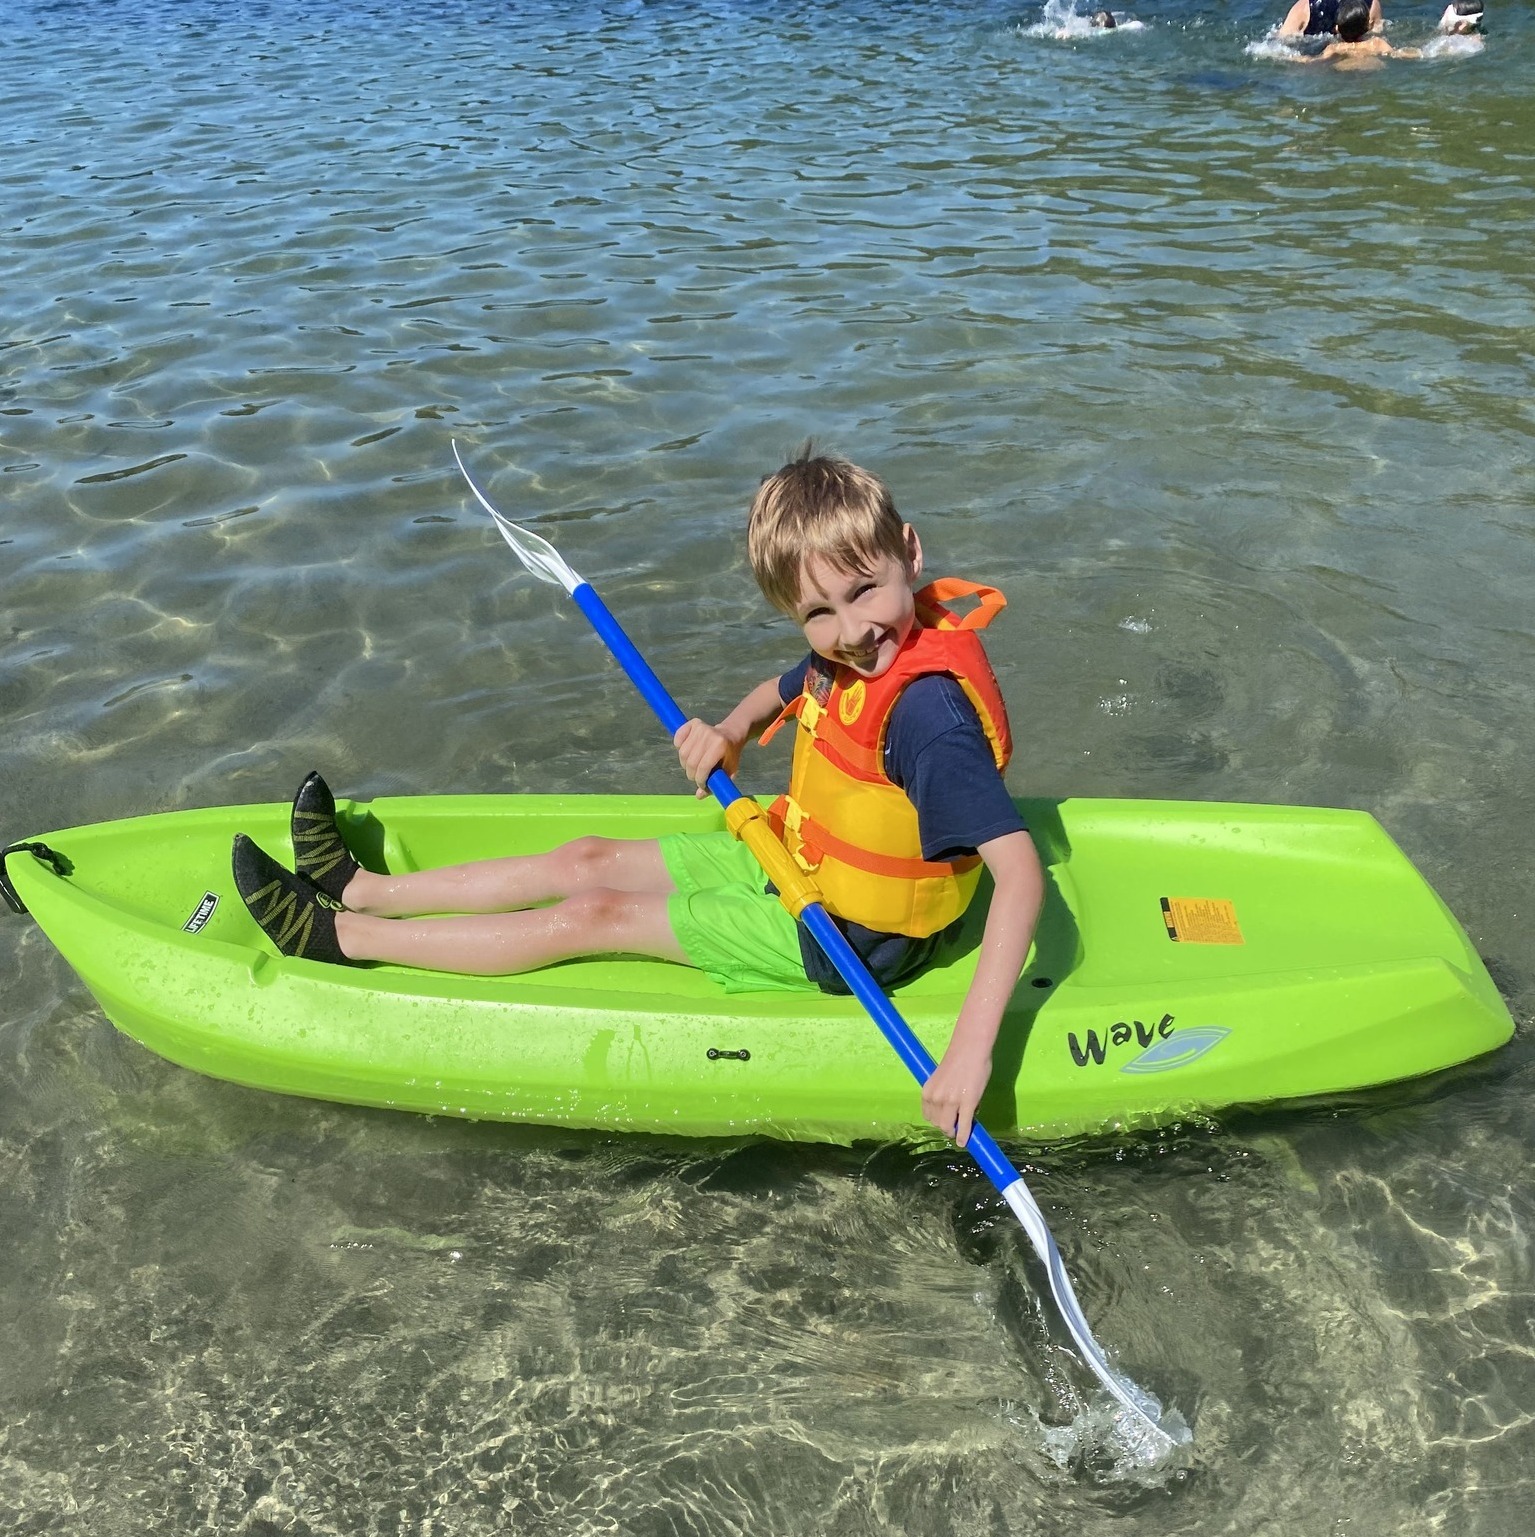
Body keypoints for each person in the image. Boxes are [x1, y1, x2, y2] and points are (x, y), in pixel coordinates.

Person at [232, 448, 1046, 1147]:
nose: (851, 632)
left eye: (865, 591)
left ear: (908, 551)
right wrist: (728, 731)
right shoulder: (852, 655)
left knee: (594, 910)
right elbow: (789, 685)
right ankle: (362, 884)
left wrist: (969, 1048)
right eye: (817, 614)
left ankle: (341, 935)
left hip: (847, 939)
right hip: (795, 861)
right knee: (584, 859)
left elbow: (1019, 876)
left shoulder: (928, 721)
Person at [1294, 0, 1419, 59]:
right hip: (1370, 74)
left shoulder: (1333, 48)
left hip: (1341, 71)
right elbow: (1397, 53)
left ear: (1336, 29)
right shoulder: (1377, 43)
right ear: (1368, 26)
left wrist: (1297, 59)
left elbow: (1317, 61)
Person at [1277, 0, 1382, 36]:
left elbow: (1282, 39)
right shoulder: (1370, 3)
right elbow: (1378, 32)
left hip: (1319, 58)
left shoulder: (1305, 6)